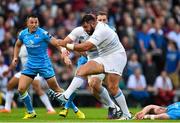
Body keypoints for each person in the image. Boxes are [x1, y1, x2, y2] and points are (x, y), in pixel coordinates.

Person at [52, 14, 131, 120]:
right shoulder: (84, 30)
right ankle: (65, 96)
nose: (84, 30)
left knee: (113, 87)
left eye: (86, 27)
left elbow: (86, 46)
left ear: (93, 23)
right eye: (83, 27)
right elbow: (65, 43)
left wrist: (66, 45)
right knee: (82, 71)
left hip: (116, 57)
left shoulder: (101, 30)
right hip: (102, 57)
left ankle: (126, 114)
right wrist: (63, 49)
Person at [10, 14, 71, 119]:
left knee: (56, 88)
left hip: (44, 65)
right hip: (30, 65)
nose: (34, 25)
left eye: (36, 22)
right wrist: (15, 57)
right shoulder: (23, 34)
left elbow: (56, 43)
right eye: (32, 22)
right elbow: (17, 44)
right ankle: (30, 112)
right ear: (27, 24)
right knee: (21, 89)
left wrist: (64, 54)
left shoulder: (43, 33)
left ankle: (70, 106)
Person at [0, 45, 56, 114]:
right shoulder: (19, 47)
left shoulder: (32, 44)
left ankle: (50, 109)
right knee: (10, 85)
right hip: (24, 71)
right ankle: (7, 108)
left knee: (37, 88)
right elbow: (15, 61)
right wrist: (8, 70)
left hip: (34, 69)